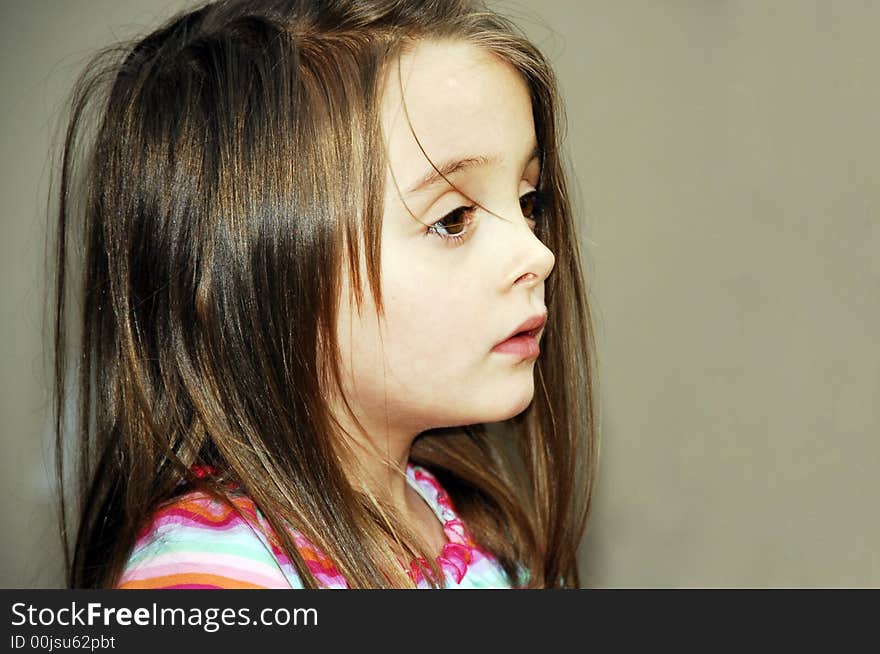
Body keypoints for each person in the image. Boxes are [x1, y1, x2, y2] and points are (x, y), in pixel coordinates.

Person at [50, 0, 599, 589]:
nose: (537, 254)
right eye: (453, 218)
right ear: (254, 275)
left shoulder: (485, 536)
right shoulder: (206, 577)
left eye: (527, 202)